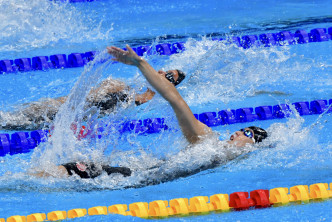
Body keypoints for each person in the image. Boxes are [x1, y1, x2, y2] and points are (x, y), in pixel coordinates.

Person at [32, 45, 268, 179]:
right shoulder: (207, 140)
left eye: (247, 133)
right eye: (241, 130)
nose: (237, 133)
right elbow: (175, 100)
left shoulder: (221, 156)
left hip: (140, 176)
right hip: (135, 175)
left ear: (254, 146)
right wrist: (140, 64)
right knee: (69, 169)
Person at [0, 69, 186, 130]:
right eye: (165, 69)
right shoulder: (129, 90)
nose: (161, 72)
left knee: (9, 122)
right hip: (57, 107)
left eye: (168, 76)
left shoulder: (139, 99)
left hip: (57, 114)